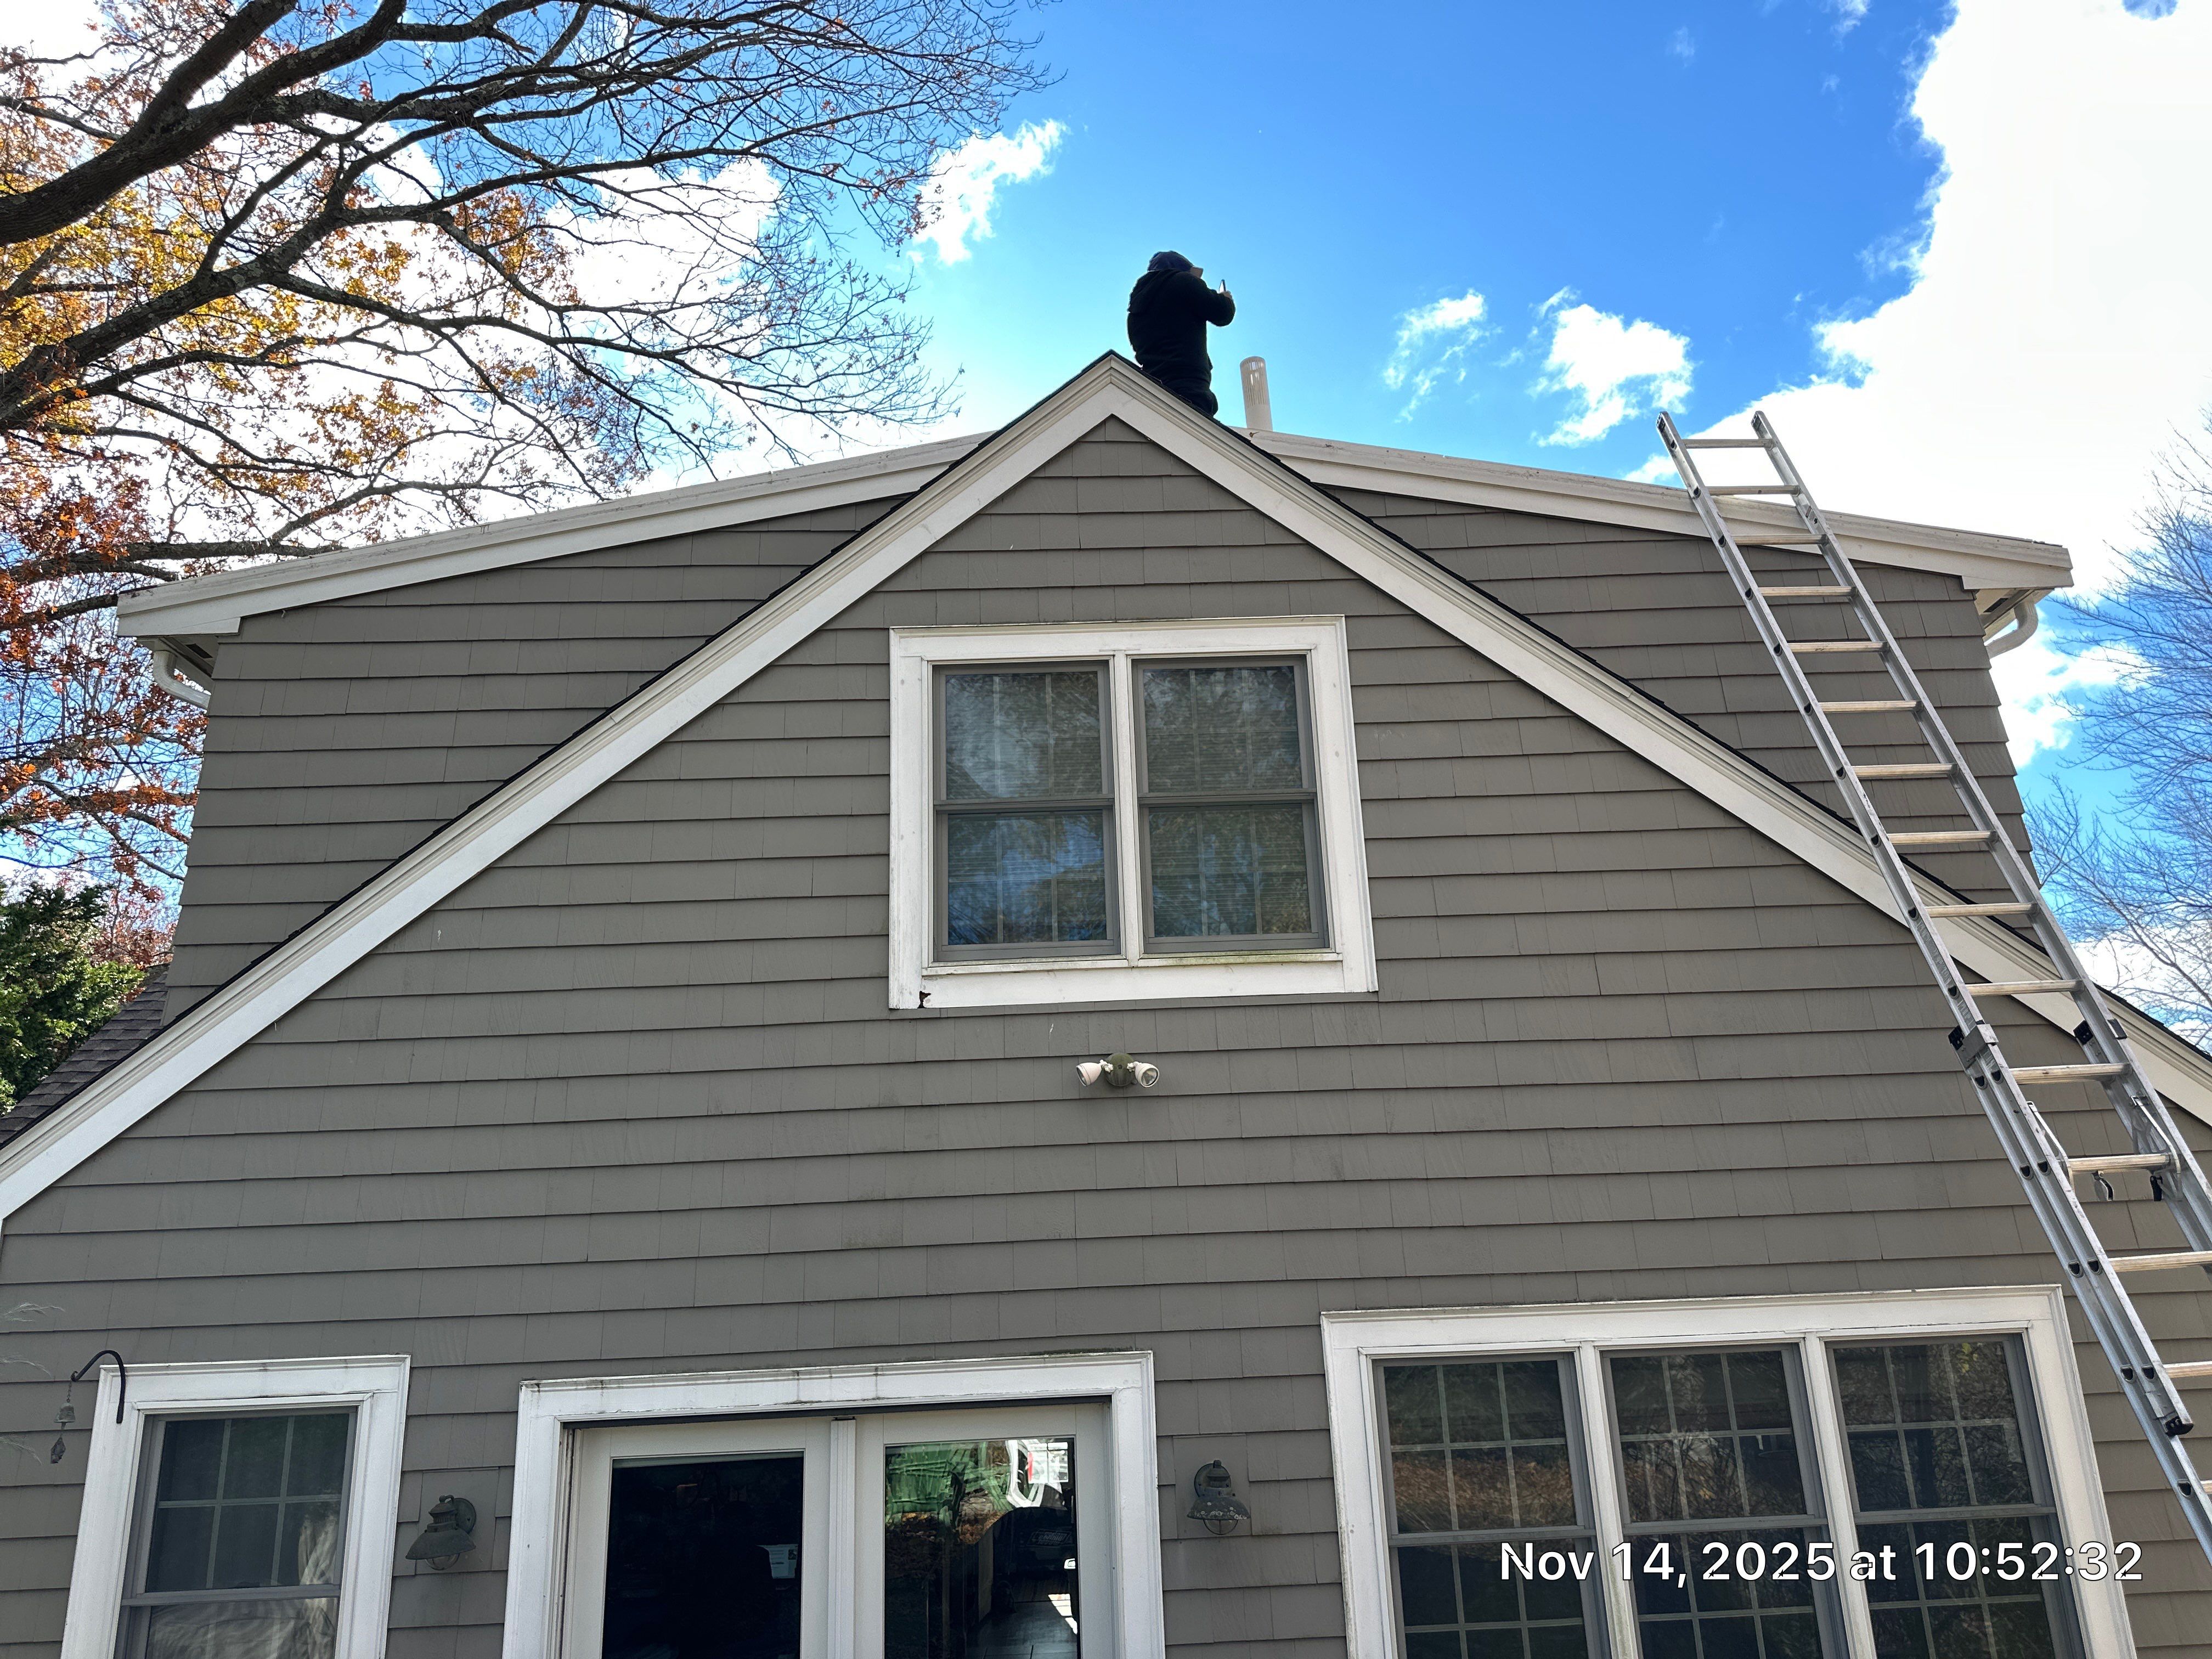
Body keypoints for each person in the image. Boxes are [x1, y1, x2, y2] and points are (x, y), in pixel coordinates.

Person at [1126, 251, 1235, 416]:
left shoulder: (1136, 307)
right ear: (1178, 268)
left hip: (1154, 387)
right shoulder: (1183, 281)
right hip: (1189, 386)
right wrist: (1226, 299)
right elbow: (1223, 314)